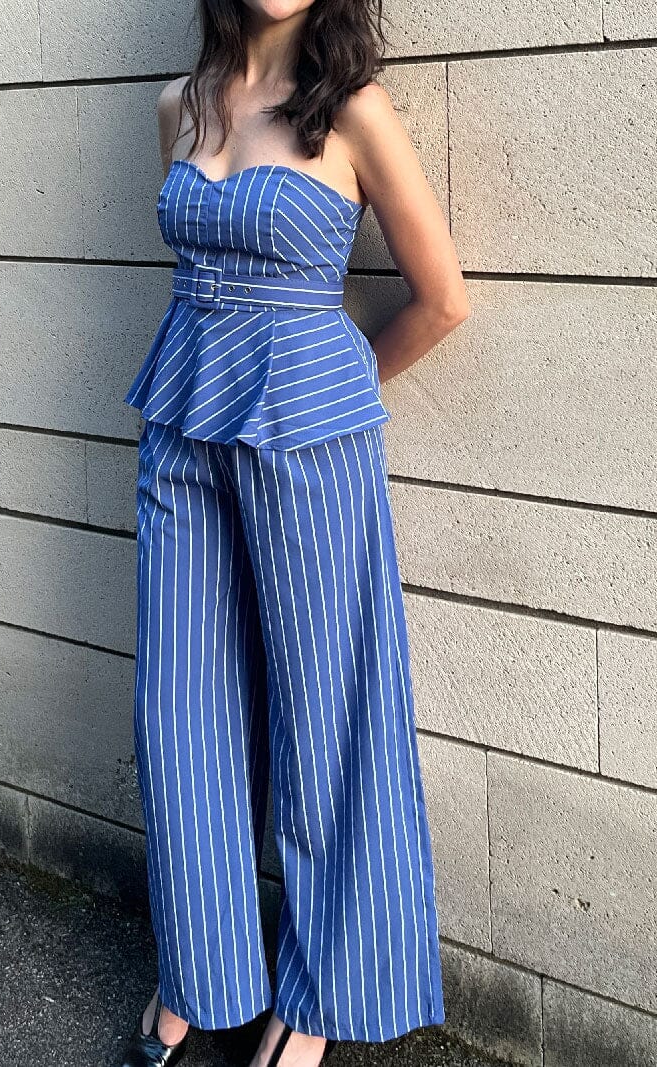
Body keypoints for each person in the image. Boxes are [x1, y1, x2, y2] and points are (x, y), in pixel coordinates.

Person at [120, 2, 470, 1066]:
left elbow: (441, 299)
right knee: (180, 712)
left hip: (308, 442)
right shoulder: (178, 105)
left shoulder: (353, 111)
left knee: (329, 712)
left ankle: (320, 992)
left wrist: (333, 383)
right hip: (181, 425)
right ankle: (202, 968)